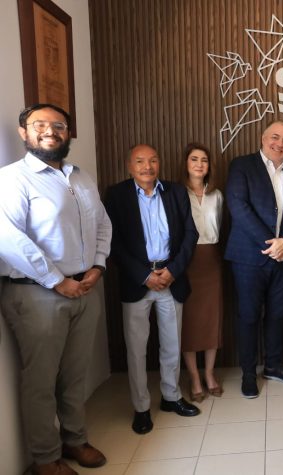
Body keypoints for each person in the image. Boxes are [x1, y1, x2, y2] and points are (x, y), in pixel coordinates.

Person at [0, 104, 110, 475]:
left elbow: (102, 225)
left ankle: (75, 439)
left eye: (59, 125)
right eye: (40, 124)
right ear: (23, 132)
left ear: (67, 132)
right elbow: (8, 238)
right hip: (36, 294)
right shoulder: (12, 179)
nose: (50, 131)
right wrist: (57, 280)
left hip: (85, 287)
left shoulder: (81, 177)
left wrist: (97, 266)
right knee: (41, 382)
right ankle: (46, 459)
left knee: (75, 374)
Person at [104, 144, 200, 435]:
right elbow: (112, 241)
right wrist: (145, 275)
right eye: (140, 161)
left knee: (172, 344)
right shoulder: (117, 195)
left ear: (159, 163)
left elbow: (190, 234)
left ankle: (171, 396)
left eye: (153, 160)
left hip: (171, 278)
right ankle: (141, 407)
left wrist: (172, 271)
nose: (147, 166)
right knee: (136, 349)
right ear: (129, 166)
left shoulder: (176, 192)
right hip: (138, 282)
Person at [225, 121, 283, 398]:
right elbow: (238, 207)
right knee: (248, 316)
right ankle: (248, 374)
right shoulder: (242, 165)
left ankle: (273, 366)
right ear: (262, 138)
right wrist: (272, 244)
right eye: (275, 137)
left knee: (277, 314)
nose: (280, 144)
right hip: (249, 258)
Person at [180, 143, 224, 401]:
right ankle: (194, 377)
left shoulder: (217, 195)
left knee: (211, 319)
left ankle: (209, 373)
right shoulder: (177, 193)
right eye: (194, 159)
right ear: (186, 163)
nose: (199, 164)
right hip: (186, 262)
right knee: (189, 322)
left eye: (204, 160)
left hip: (211, 260)